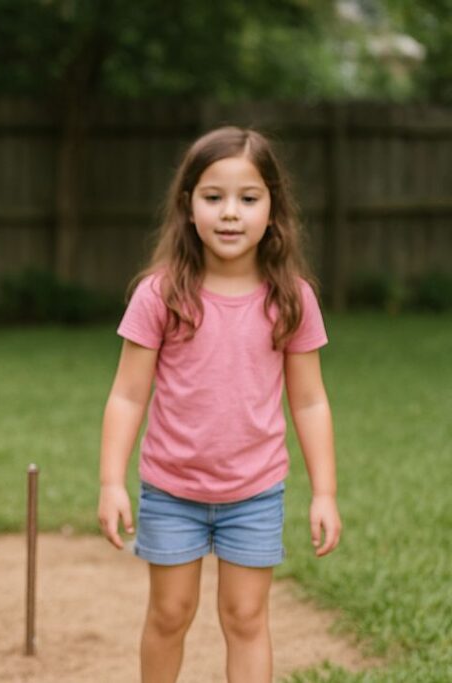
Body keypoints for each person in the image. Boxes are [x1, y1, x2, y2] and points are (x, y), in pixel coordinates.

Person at [97, 126, 342, 683]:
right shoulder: (160, 294)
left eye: (248, 198)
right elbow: (128, 394)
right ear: (187, 207)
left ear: (273, 209)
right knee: (169, 615)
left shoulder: (292, 298)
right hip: (171, 490)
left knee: (246, 617)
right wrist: (112, 481)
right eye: (214, 197)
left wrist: (324, 493)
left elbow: (309, 402)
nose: (230, 213)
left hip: (254, 493)